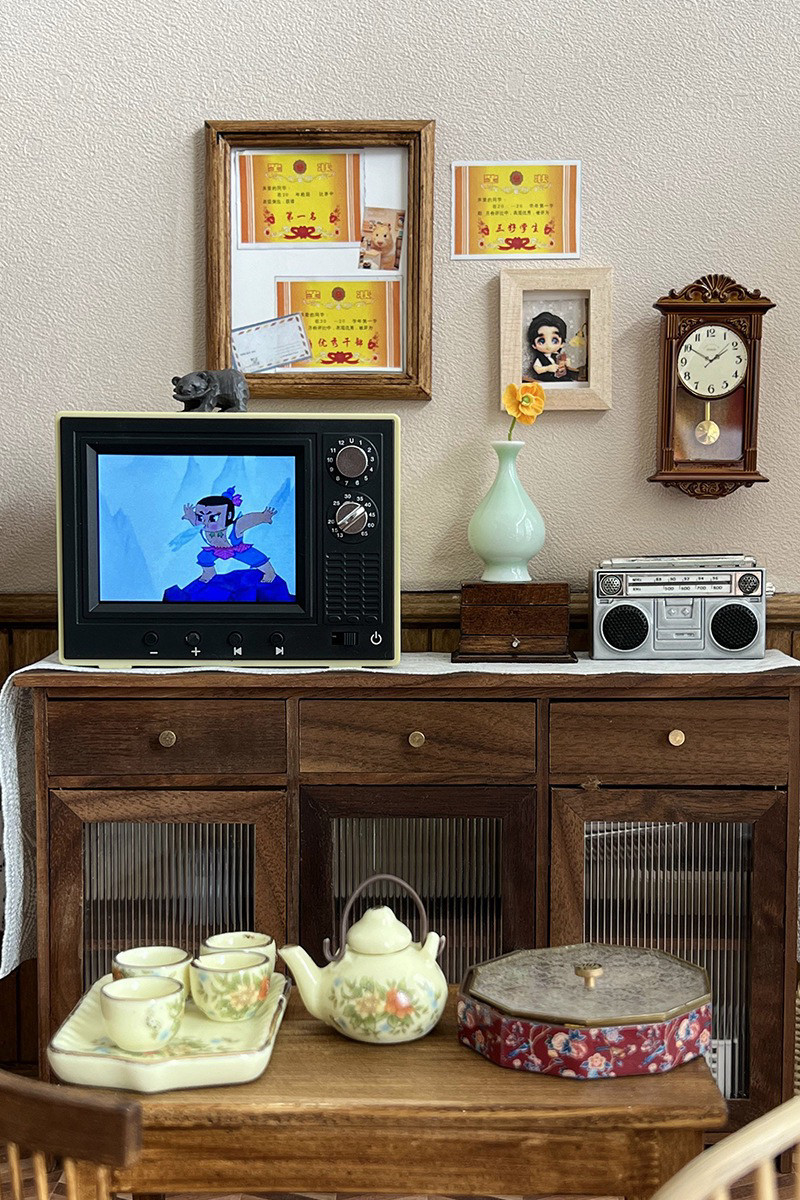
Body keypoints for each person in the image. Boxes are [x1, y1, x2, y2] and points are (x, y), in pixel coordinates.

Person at [182, 485, 278, 584]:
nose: (205, 522)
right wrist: (190, 515)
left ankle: (269, 572)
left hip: (236, 549)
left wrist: (263, 517)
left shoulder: (235, 527)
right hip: (215, 550)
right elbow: (195, 521)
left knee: (256, 557)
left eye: (213, 518)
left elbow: (248, 520)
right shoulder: (202, 527)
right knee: (203, 557)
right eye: (200, 517)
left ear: (228, 516)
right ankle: (209, 572)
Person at [527, 311, 578, 381]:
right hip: (547, 381)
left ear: (562, 343)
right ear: (534, 345)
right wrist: (547, 368)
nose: (548, 345)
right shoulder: (540, 359)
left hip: (561, 380)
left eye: (554, 340)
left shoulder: (558, 356)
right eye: (541, 341)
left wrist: (567, 364)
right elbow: (538, 369)